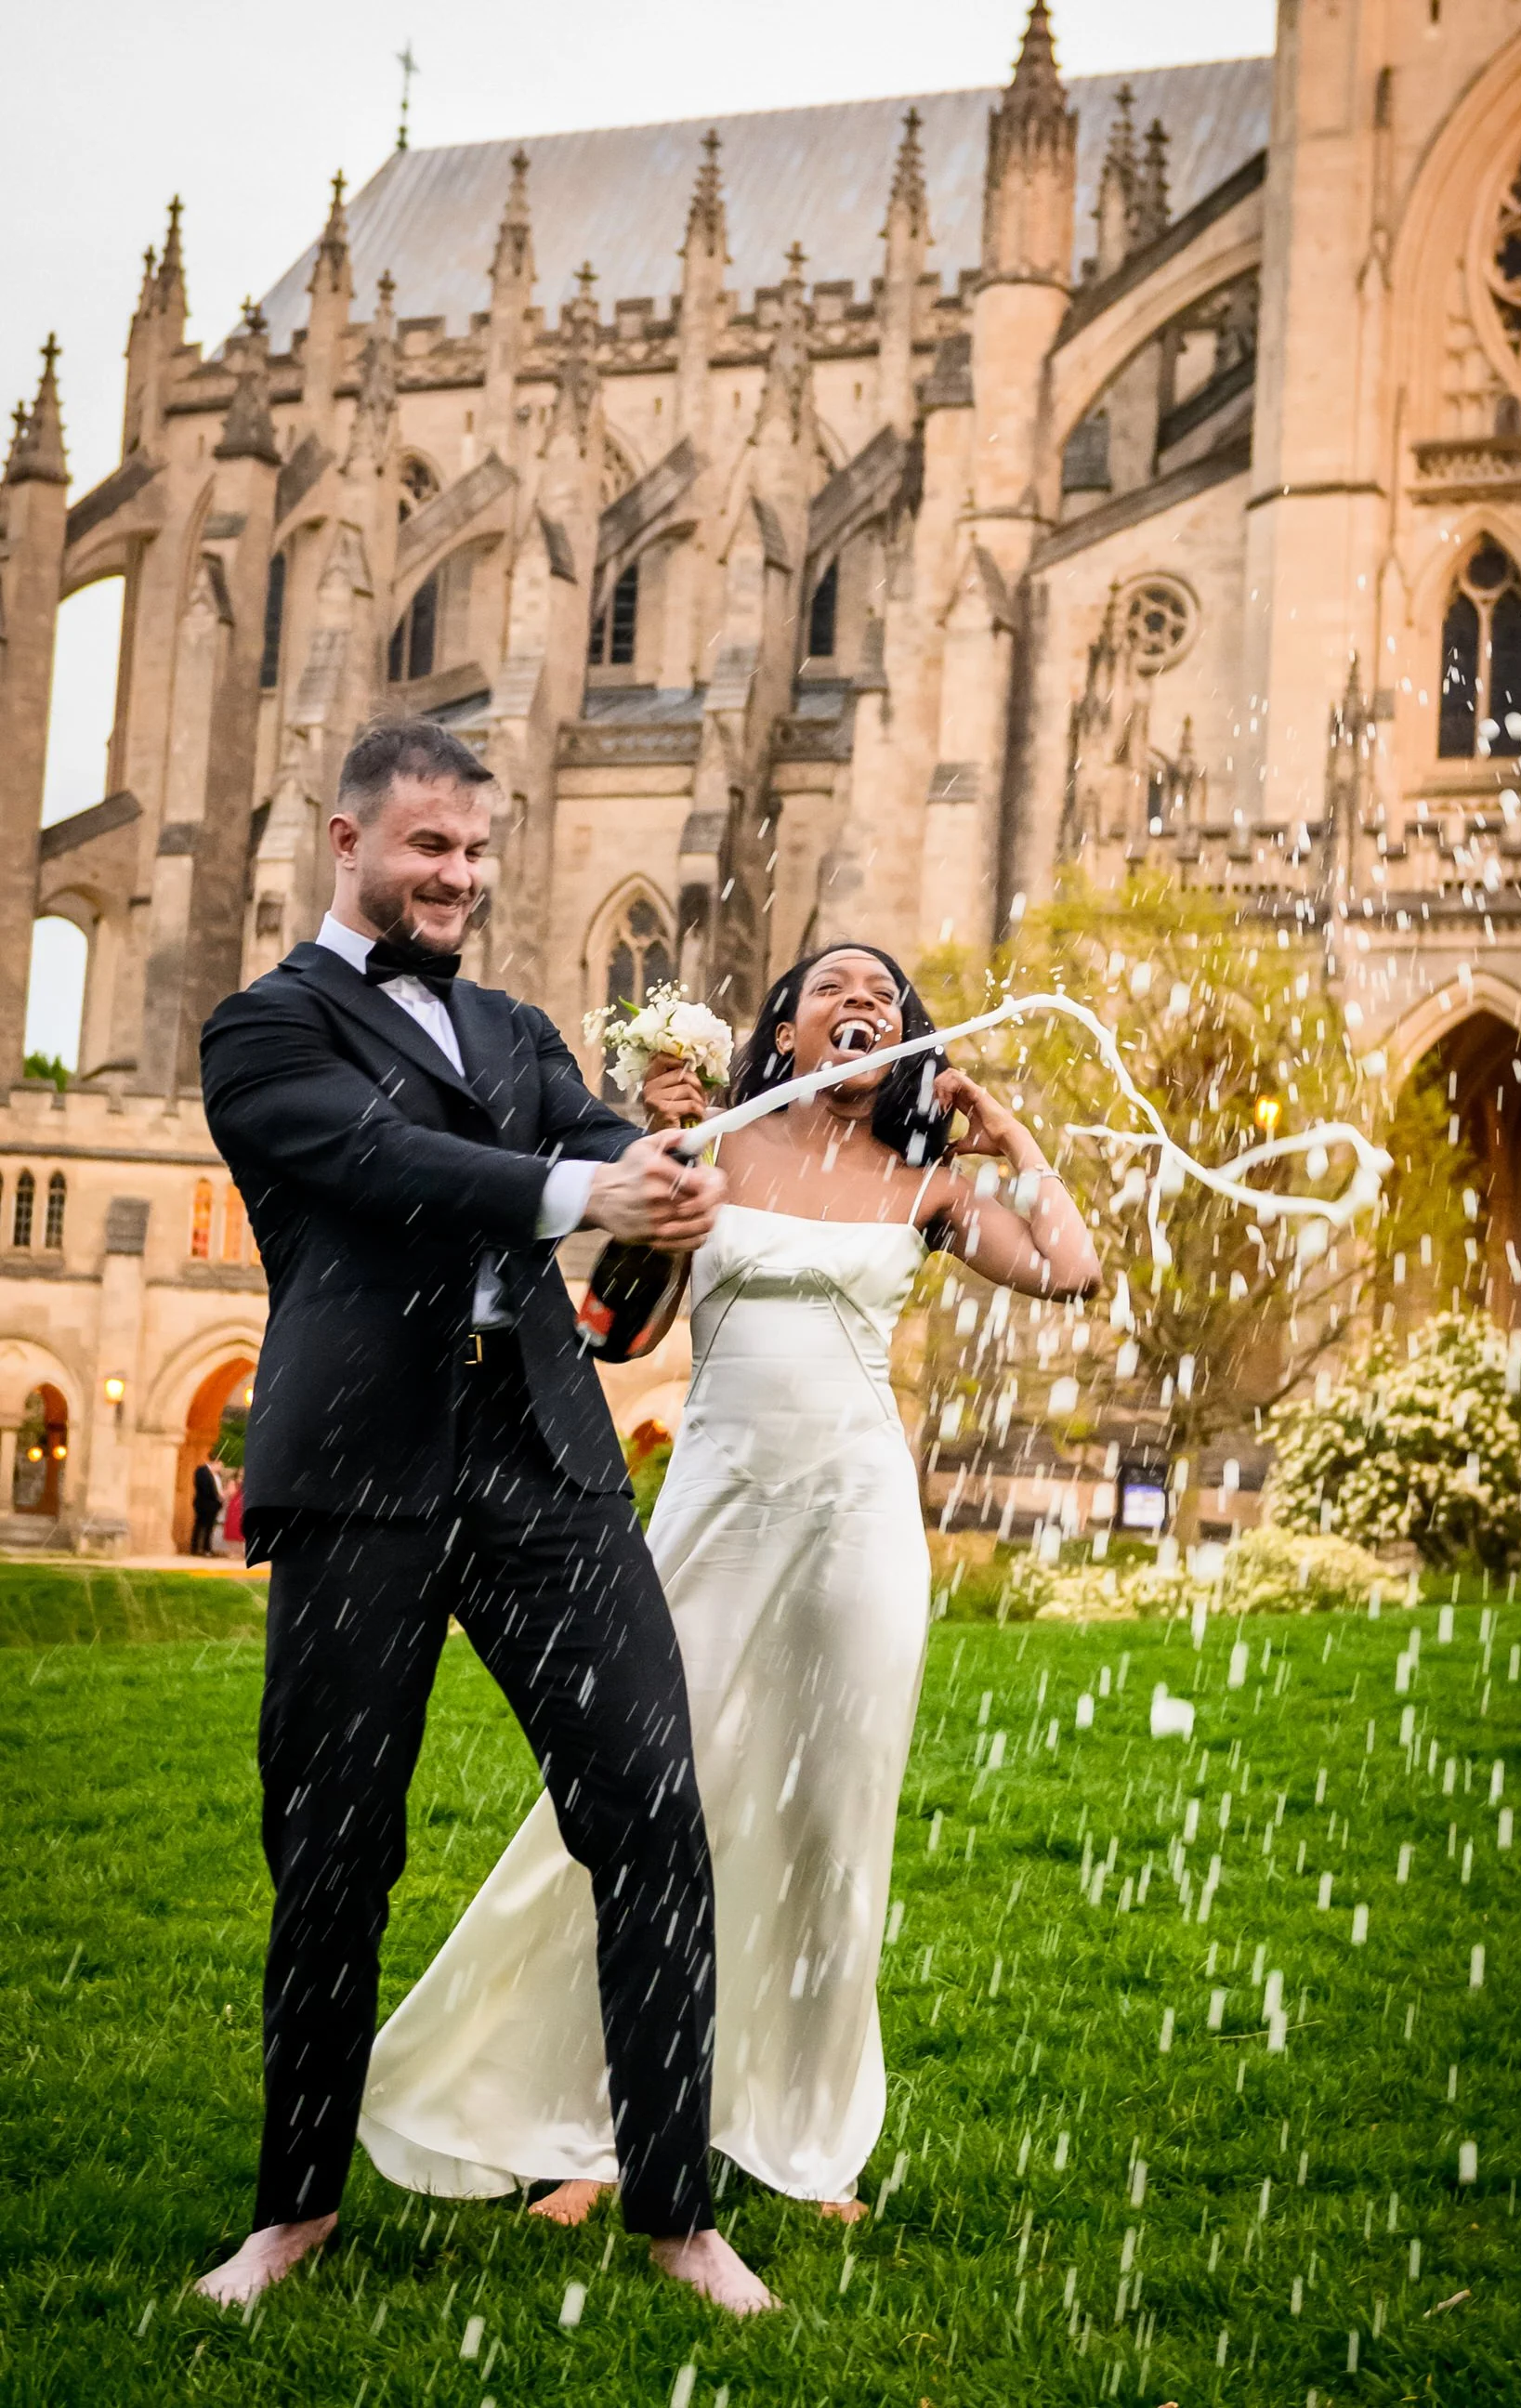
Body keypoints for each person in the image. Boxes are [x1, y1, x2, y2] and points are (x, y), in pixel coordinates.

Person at [357, 943, 1098, 2226]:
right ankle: (596, 2132)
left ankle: (806, 2141)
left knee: (831, 1830)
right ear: (786, 1030)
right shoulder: (718, 1153)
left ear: (905, 1043)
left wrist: (1009, 1131)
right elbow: (618, 1335)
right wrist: (662, 1177)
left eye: (886, 998)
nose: (863, 1003)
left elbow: (1068, 1267)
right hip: (717, 1515)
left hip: (861, 1523)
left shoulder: (924, 1186)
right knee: (645, 1807)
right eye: (836, 991)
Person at [193, 716, 773, 2314]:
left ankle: (674, 2206)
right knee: (333, 1848)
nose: (456, 875)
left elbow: (609, 1171)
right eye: (427, 847)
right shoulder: (261, 1032)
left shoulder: (517, 1032)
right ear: (348, 842)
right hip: (361, 1472)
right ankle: (291, 2210)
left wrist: (667, 1174)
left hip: (545, 1470)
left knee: (652, 1808)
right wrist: (585, 1194)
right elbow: (382, 1163)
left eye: (474, 850)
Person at [190, 1457, 222, 1556]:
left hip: (213, 1504)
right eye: (220, 1465)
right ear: (215, 1463)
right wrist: (217, 1496)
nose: (220, 1468)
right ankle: (196, 1548)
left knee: (209, 1527)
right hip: (204, 1504)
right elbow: (204, 1488)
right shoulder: (202, 1471)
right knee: (200, 1526)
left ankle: (207, 1548)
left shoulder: (216, 1475)